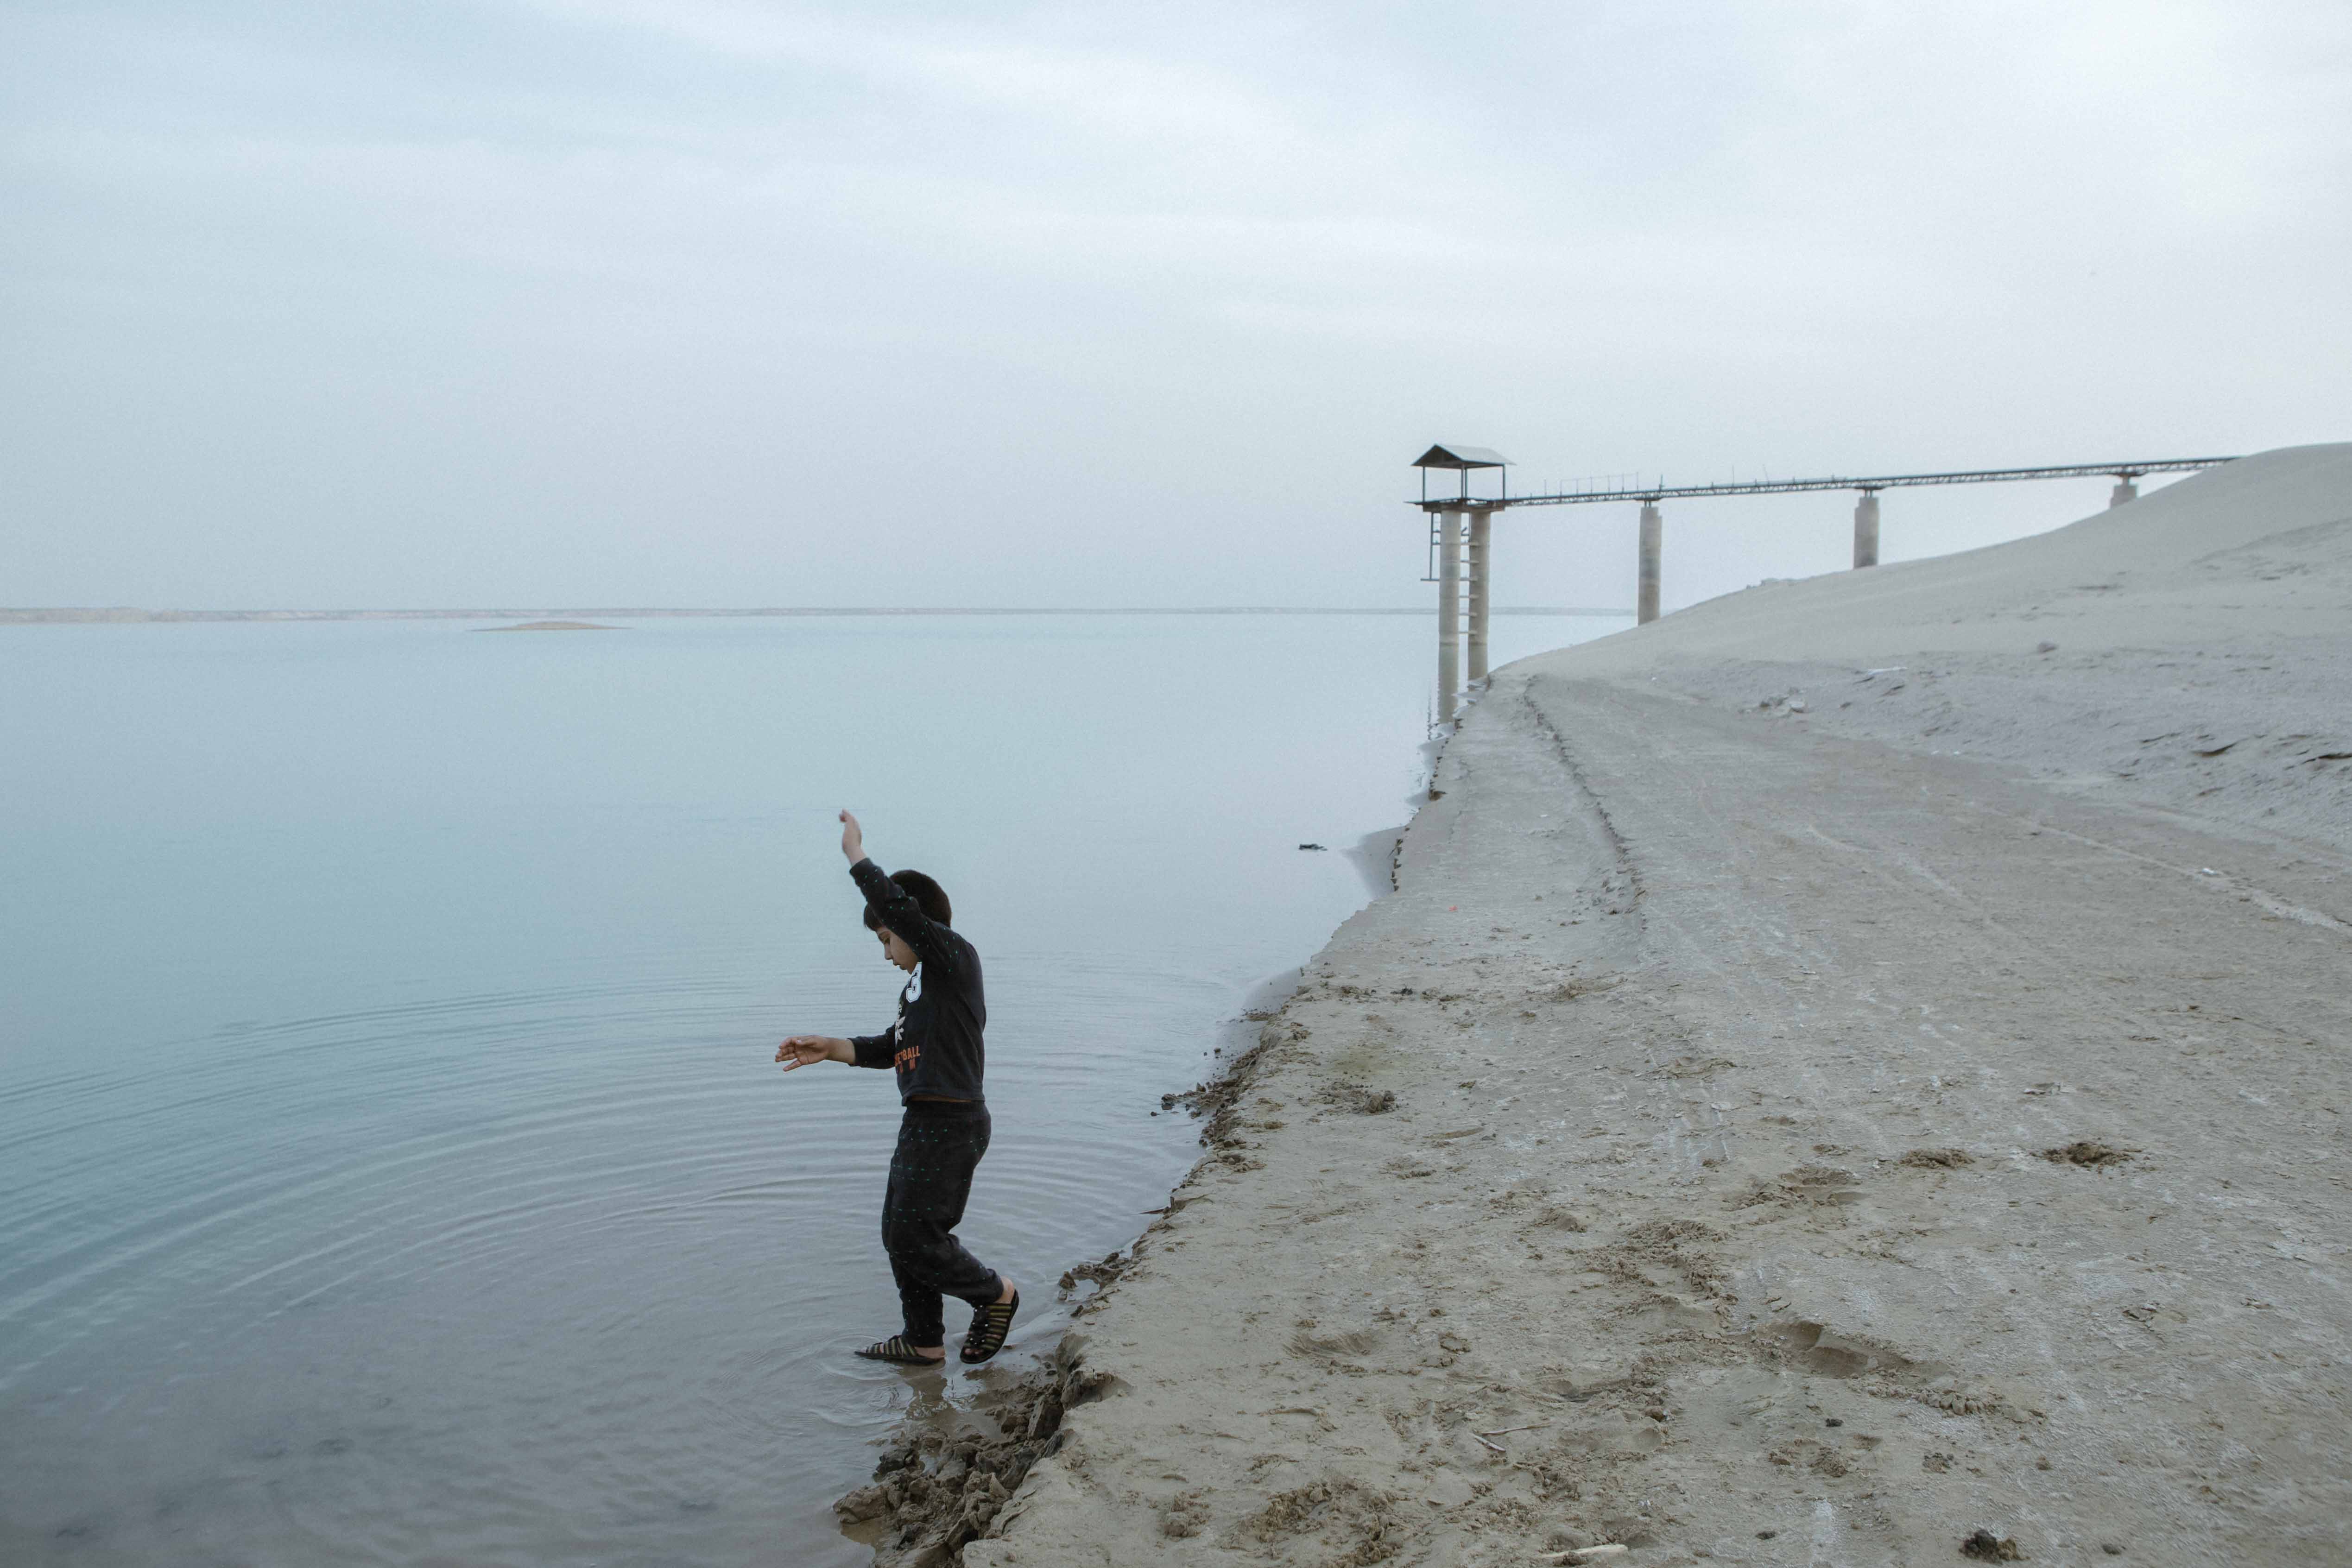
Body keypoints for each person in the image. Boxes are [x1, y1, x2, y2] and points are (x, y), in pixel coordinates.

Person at [775, 810, 1019, 1366]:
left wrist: (855, 856)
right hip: (923, 1121)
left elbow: (898, 906)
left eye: (887, 939)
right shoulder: (921, 988)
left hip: (953, 1121)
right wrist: (832, 1047)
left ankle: (995, 1295)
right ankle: (923, 1339)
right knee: (897, 1232)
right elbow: (893, 1047)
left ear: (913, 926)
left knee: (916, 1237)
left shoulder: (953, 959)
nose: (887, 953)